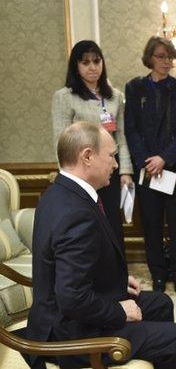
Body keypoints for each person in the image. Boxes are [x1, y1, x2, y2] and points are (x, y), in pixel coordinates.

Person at [25, 122, 176, 369]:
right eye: (112, 156)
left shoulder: (58, 192)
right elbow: (72, 297)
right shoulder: (75, 213)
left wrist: (115, 280)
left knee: (161, 303)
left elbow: (71, 268)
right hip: (71, 333)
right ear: (88, 156)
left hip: (68, 314)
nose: (116, 164)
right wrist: (119, 312)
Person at [124, 36, 176, 294]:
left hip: (175, 166)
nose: (166, 61)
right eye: (160, 56)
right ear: (150, 58)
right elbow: (131, 129)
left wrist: (164, 158)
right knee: (151, 225)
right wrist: (148, 161)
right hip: (147, 169)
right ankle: (159, 274)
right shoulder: (135, 88)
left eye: (169, 56)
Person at [51, 40, 133, 245]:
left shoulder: (115, 96)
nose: (92, 67)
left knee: (112, 224)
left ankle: (117, 276)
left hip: (109, 171)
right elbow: (61, 140)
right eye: (85, 62)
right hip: (82, 174)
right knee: (87, 226)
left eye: (97, 61)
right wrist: (67, 178)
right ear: (76, 67)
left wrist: (125, 171)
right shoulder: (64, 97)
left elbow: (121, 137)